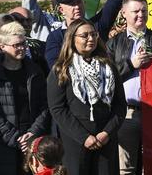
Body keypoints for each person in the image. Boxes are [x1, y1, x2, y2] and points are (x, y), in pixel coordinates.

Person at [48, 19, 126, 175]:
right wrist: (84, 137)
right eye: (84, 35)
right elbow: (57, 109)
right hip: (75, 141)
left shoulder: (108, 66)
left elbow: (119, 105)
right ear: (72, 38)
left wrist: (106, 133)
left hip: (105, 140)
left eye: (93, 34)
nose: (91, 39)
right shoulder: (61, 69)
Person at [105, 0, 152, 175]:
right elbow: (106, 78)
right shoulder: (113, 43)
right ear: (124, 13)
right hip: (127, 113)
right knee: (126, 168)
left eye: (144, 10)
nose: (141, 15)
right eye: (135, 11)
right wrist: (130, 65)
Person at [0, 22, 50, 175]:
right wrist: (15, 138)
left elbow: (45, 105)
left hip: (32, 140)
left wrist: (33, 133)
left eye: (24, 43)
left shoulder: (35, 70)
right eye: (16, 45)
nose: (22, 48)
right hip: (3, 143)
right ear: (2, 46)